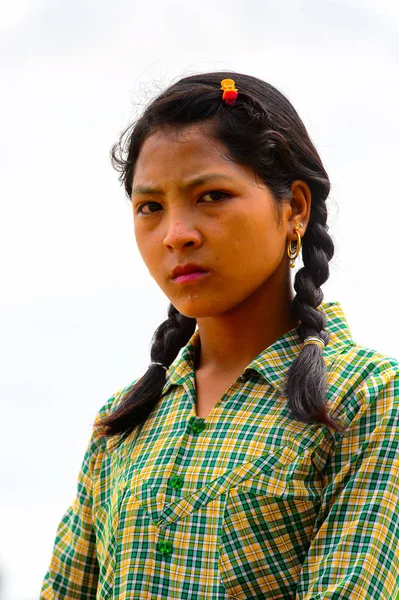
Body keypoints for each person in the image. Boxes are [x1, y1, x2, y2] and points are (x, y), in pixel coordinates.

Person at [41, 72, 399, 599]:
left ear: (294, 208)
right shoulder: (122, 422)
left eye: (211, 195)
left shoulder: (368, 398)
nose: (175, 234)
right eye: (150, 207)